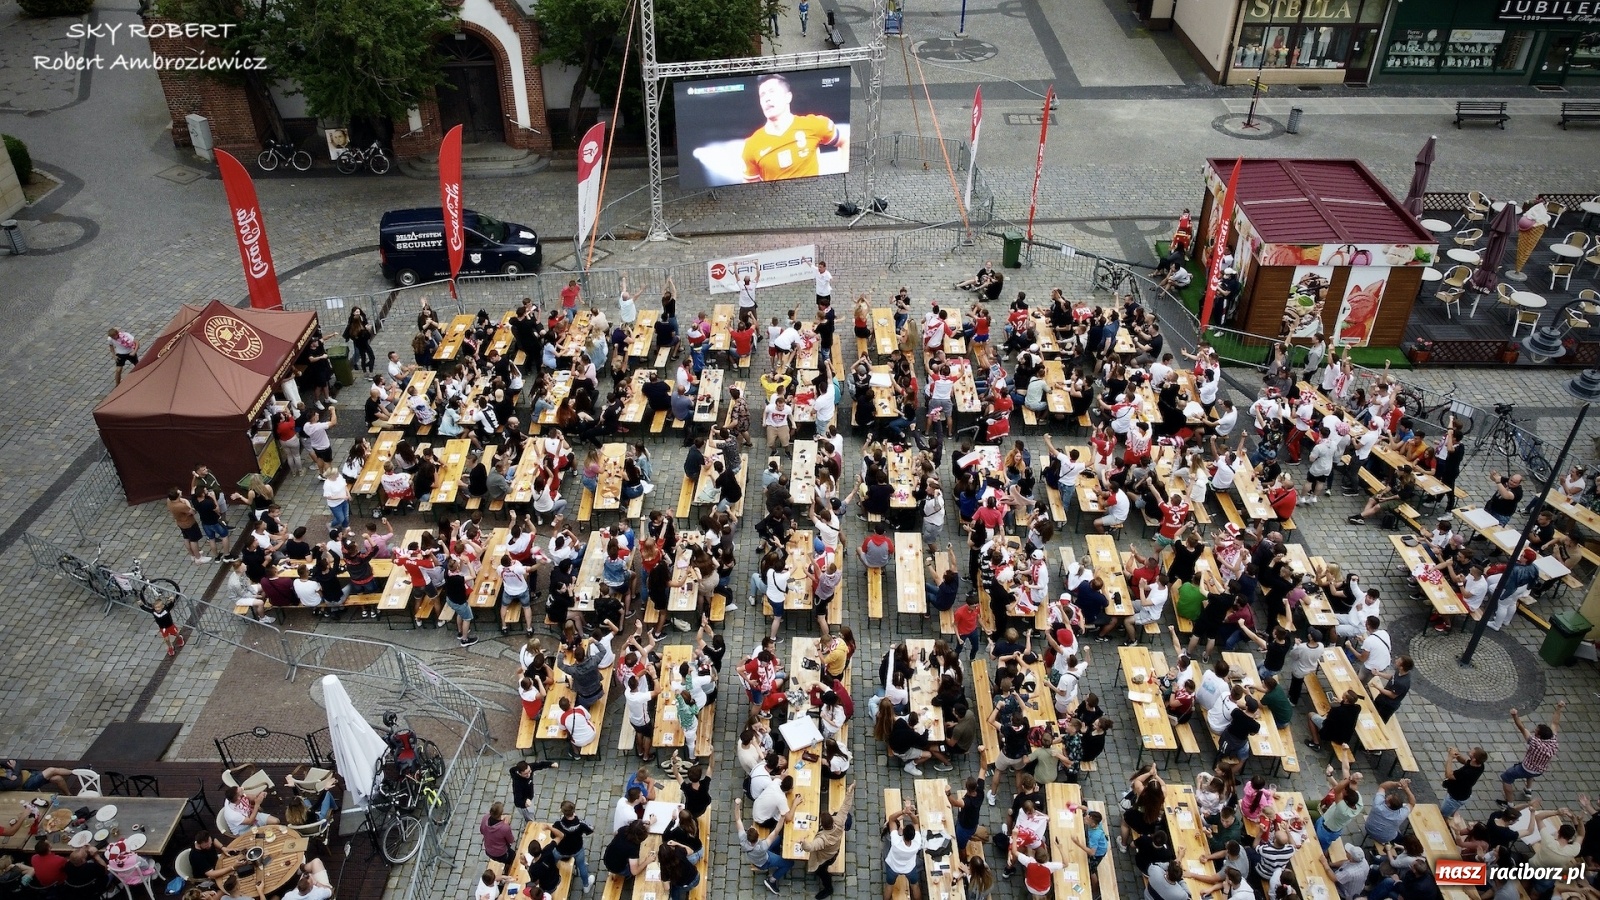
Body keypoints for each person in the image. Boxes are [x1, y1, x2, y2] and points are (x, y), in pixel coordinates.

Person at [742, 75, 844, 183]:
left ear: (788, 97)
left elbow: (845, 142)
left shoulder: (813, 124)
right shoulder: (751, 145)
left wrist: (845, 180)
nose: (767, 99)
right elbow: (751, 186)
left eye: (772, 92)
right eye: (762, 95)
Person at [1501, 700, 1564, 802]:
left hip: (1525, 768)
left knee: (1506, 778)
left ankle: (1509, 804)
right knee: (1531, 774)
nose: (1534, 731)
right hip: (1539, 770)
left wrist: (1515, 715)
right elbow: (1555, 723)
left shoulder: (1534, 742)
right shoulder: (1554, 740)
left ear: (1539, 736)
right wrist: (1559, 708)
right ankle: (1528, 790)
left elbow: (1521, 728)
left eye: (1536, 731)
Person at [881, 804, 924, 900]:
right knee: (915, 886)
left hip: (893, 867)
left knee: (889, 886)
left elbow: (891, 819)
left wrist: (904, 811)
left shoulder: (896, 841)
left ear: (903, 833)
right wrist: (911, 814)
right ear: (913, 836)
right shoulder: (917, 843)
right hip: (909, 868)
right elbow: (916, 823)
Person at [1362, 779, 1415, 846]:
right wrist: (1406, 788)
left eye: (1387, 798)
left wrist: (1396, 784)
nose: (1385, 797)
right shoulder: (1400, 816)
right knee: (1403, 839)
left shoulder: (1377, 805)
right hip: (1384, 838)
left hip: (1369, 828)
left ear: (1388, 804)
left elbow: (1383, 786)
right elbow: (1412, 803)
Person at [1439, 746, 1486, 817]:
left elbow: (1448, 774)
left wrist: (1450, 757)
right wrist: (1456, 754)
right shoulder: (1480, 765)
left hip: (1454, 798)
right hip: (1463, 795)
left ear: (1474, 759)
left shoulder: (1467, 773)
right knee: (1451, 812)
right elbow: (1465, 761)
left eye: (1471, 752)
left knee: (1443, 815)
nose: (1469, 752)